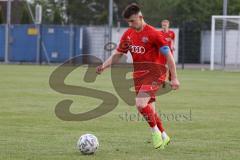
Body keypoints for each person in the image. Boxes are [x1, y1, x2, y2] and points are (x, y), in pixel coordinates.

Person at [96, 3, 180, 149]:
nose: (130, 24)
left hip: (155, 73)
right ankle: (164, 135)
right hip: (139, 75)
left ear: (140, 17)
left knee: (140, 104)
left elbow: (169, 56)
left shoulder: (154, 34)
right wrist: (104, 66)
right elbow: (118, 54)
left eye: (132, 21)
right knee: (150, 110)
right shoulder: (128, 34)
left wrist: (174, 77)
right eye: (128, 22)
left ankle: (155, 133)